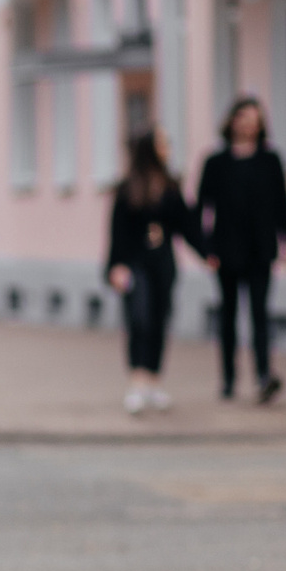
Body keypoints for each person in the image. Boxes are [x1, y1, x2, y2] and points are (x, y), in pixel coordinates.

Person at [194, 96, 286, 404]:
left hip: (261, 249)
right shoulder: (215, 163)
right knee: (228, 315)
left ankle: (264, 375)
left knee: (259, 313)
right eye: (244, 117)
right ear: (232, 121)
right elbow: (200, 208)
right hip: (225, 249)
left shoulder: (271, 160)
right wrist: (205, 248)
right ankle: (228, 378)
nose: (250, 124)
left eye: (256, 119)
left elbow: (282, 204)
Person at [105, 132, 200, 416]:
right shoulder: (127, 188)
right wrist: (115, 266)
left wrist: (208, 252)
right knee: (138, 318)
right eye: (162, 144)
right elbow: (117, 232)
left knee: (160, 318)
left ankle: (155, 381)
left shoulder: (170, 186)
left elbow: (186, 225)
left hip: (162, 265)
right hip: (135, 265)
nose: (168, 149)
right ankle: (137, 382)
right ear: (149, 148)